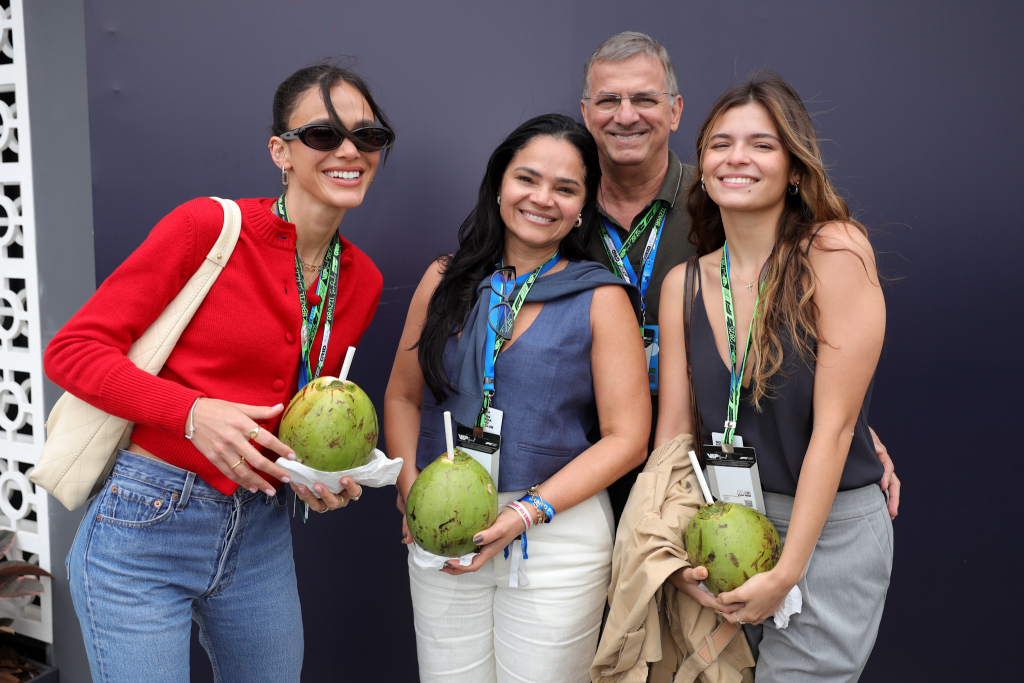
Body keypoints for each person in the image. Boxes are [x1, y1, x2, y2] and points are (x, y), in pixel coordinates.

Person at [44, 63, 392, 682]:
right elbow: (72, 350)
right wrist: (190, 412)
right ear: (280, 151)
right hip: (145, 524)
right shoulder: (205, 227)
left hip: (260, 532)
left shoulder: (362, 281)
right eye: (323, 134)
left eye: (367, 135)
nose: (349, 151)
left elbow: (294, 410)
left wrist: (314, 476)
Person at [578, 31, 900, 523]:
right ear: (586, 112)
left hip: (711, 490)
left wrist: (848, 430)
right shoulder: (554, 212)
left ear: (675, 111)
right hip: (581, 475)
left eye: (644, 98)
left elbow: (801, 350)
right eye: (608, 100)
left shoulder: (724, 202)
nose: (626, 115)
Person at [383, 113, 650, 683]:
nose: (542, 198)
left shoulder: (601, 297)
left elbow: (628, 439)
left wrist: (525, 513)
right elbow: (403, 397)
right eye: (527, 178)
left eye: (565, 188)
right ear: (499, 184)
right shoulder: (443, 280)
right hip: (444, 525)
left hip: (555, 539)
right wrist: (410, 488)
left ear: (583, 206)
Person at [656, 72, 892, 682]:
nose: (737, 157)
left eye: (761, 144)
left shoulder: (835, 252)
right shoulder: (683, 284)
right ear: (703, 166)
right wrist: (672, 556)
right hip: (720, 536)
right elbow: (673, 440)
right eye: (720, 143)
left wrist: (786, 572)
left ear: (793, 168)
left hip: (827, 534)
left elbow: (835, 430)